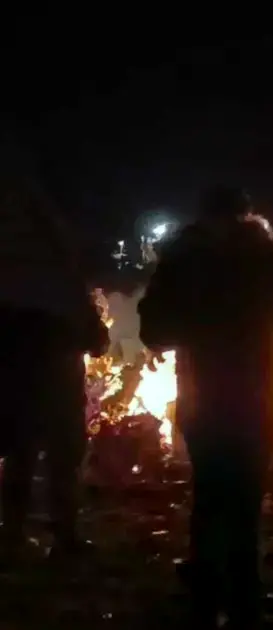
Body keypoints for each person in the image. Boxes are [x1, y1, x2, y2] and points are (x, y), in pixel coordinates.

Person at [139, 186, 273, 629]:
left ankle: (206, 599)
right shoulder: (260, 258)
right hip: (254, 396)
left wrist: (197, 320)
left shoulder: (182, 262)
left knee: (210, 494)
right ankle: (244, 603)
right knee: (244, 498)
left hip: (203, 396)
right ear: (246, 215)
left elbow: (154, 332)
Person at [0, 163, 109, 558]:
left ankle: (13, 535)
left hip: (14, 381)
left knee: (20, 455)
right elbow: (94, 336)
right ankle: (63, 537)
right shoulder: (58, 270)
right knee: (61, 459)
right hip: (56, 380)